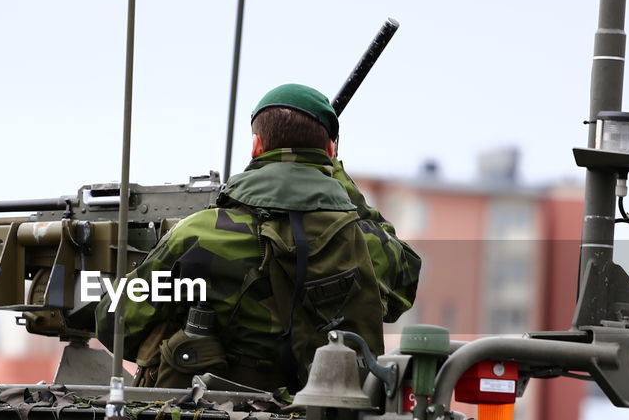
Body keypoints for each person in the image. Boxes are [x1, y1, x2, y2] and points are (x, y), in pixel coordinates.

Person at [96, 83, 421, 391]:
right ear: (329, 151)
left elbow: (114, 321)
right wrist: (343, 189)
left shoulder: (198, 233)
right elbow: (403, 281)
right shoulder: (362, 241)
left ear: (257, 146)